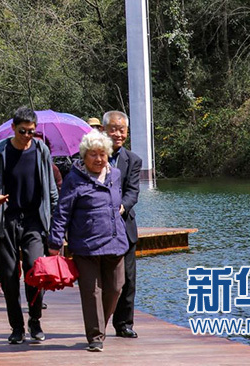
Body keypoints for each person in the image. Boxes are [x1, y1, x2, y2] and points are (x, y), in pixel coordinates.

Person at [0, 107, 59, 344]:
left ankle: (35, 320)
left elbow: (51, 190)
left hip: (34, 221)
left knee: (35, 270)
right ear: (13, 128)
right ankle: (16, 327)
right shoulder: (1, 151)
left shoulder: (41, 150)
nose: (26, 136)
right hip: (6, 221)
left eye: (31, 132)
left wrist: (53, 223)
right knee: (9, 276)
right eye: (23, 131)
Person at [47, 131, 129, 352]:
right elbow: (62, 212)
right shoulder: (75, 178)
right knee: (92, 291)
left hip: (115, 241)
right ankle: (95, 336)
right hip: (86, 244)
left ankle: (99, 324)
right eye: (93, 154)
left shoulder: (115, 174)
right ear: (84, 156)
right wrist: (55, 243)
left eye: (102, 154)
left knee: (115, 288)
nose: (98, 159)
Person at [103, 110, 141, 339]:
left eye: (122, 130)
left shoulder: (133, 160)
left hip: (124, 224)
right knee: (104, 278)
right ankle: (99, 323)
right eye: (113, 129)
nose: (118, 134)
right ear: (105, 130)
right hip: (98, 225)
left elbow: (133, 192)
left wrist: (122, 207)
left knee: (127, 278)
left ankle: (124, 323)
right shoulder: (94, 155)